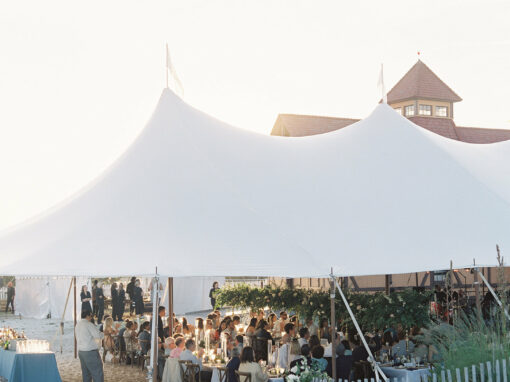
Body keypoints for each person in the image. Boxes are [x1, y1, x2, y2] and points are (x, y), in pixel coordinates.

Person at [76, 310, 104, 382]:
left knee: (86, 374)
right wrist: (104, 333)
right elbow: (98, 335)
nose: (91, 318)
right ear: (88, 316)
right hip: (90, 351)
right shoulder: (88, 324)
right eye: (91, 316)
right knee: (97, 372)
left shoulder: (78, 324)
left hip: (81, 351)